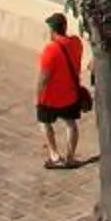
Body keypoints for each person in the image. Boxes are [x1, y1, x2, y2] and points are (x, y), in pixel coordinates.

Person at [36, 12, 91, 168]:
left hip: (50, 96)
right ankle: (70, 157)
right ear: (65, 27)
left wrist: (38, 94)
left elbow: (44, 77)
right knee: (71, 124)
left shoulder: (50, 49)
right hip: (71, 93)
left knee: (44, 122)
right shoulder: (76, 43)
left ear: (52, 31)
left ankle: (54, 155)